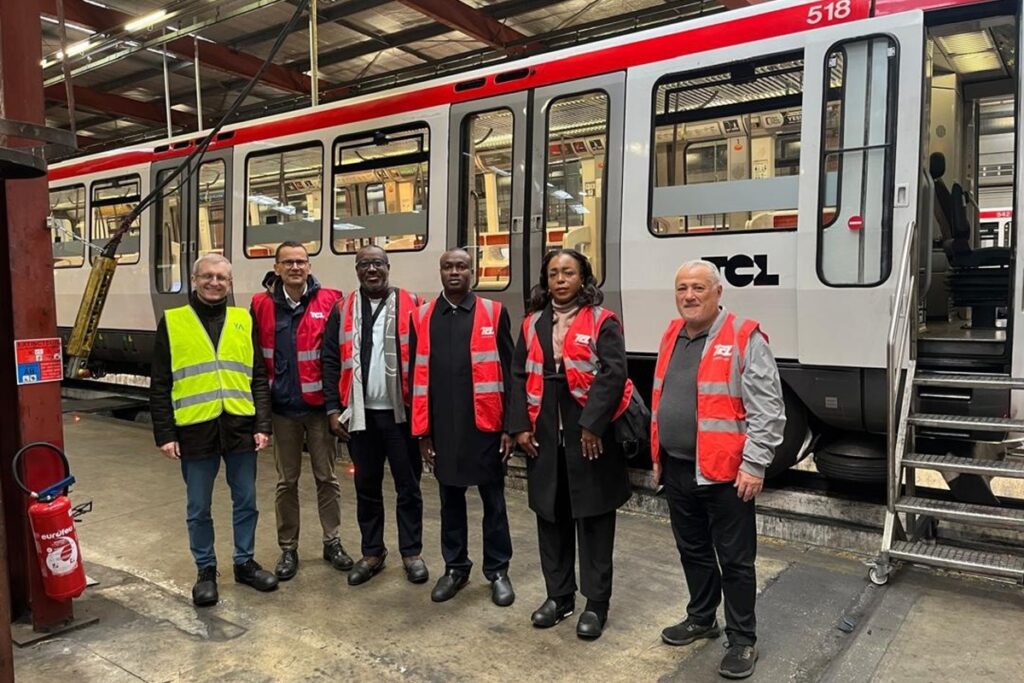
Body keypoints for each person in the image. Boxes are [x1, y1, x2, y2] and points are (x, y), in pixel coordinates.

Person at [650, 259, 785, 680]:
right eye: (682, 289)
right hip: (678, 469)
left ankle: (743, 640)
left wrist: (755, 463)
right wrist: (659, 459)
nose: (689, 296)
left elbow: (768, 408)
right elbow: (664, 398)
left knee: (736, 560)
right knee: (692, 551)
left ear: (718, 292)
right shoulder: (672, 334)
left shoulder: (744, 335)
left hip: (727, 475)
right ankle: (702, 617)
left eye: (698, 288)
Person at [508, 248, 635, 640]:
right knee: (551, 516)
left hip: (590, 434)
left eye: (568, 273)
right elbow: (516, 376)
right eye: (553, 274)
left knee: (594, 521)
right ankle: (559, 597)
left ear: (584, 278)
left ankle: (596, 605)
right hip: (544, 436)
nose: (560, 280)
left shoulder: (603, 321)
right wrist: (519, 427)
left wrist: (592, 425)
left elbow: (614, 375)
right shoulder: (531, 324)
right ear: (546, 282)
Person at [150, 253, 278, 607]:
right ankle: (206, 570)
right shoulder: (173, 322)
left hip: (239, 427)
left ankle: (245, 563)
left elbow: (257, 378)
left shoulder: (242, 319)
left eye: (221, 277)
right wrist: (165, 433)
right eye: (207, 276)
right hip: (195, 430)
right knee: (198, 507)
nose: (214, 282)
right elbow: (160, 383)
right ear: (194, 280)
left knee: (247, 502)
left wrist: (263, 424)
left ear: (230, 283)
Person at [410, 249, 515, 606]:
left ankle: (498, 571)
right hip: (443, 429)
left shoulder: (493, 312)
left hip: (485, 427)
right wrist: (423, 433)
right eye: (447, 267)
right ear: (440, 272)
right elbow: (416, 377)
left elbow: (510, 372)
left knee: (494, 503)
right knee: (449, 501)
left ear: (473, 272)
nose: (454, 272)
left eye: (461, 267)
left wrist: (510, 427)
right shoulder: (421, 317)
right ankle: (455, 568)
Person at [322, 245, 428, 586]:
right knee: (366, 486)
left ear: (388, 267)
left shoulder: (414, 305)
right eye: (365, 264)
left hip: (401, 416)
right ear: (356, 270)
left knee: (408, 487)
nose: (372, 269)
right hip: (360, 418)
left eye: (378, 263)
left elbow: (427, 361)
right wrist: (332, 409)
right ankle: (373, 552)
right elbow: (329, 362)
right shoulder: (342, 309)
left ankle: (411, 552)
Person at [250, 241, 352, 581]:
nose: (296, 267)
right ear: (276, 268)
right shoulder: (260, 305)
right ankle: (288, 548)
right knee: (286, 481)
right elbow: (257, 364)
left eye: (301, 262)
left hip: (320, 410)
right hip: (282, 410)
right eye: (288, 262)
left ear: (309, 267)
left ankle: (332, 541)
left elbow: (338, 356)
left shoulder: (331, 300)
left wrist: (337, 407)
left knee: (327, 478)